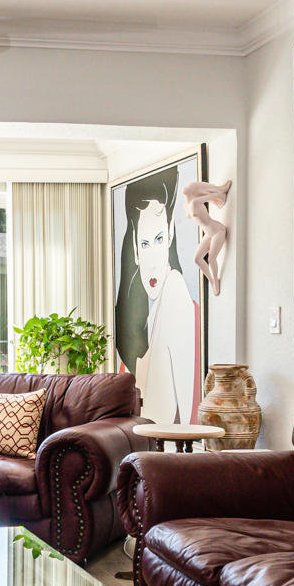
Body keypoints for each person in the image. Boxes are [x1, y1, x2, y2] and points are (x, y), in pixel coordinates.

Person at [115, 166, 199, 423]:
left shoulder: (176, 295)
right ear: (136, 251)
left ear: (171, 232)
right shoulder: (141, 324)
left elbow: (160, 423)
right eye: (145, 243)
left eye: (160, 238)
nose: (152, 262)